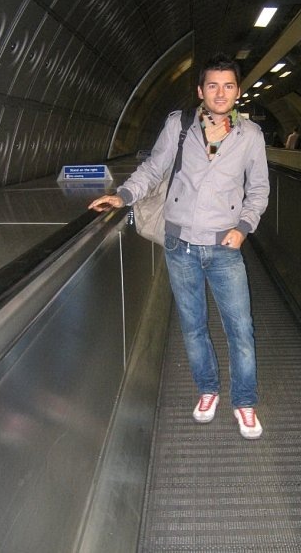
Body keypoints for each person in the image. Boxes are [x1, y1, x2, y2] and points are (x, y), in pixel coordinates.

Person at [89, 53, 270, 439]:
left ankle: (244, 401)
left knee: (240, 328)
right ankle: (208, 390)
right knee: (192, 326)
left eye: (228, 86)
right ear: (200, 90)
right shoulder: (180, 124)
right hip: (180, 244)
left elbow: (258, 190)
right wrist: (122, 195)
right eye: (212, 85)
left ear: (238, 91)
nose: (220, 93)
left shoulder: (250, 136)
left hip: (225, 246)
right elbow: (154, 168)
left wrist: (243, 227)